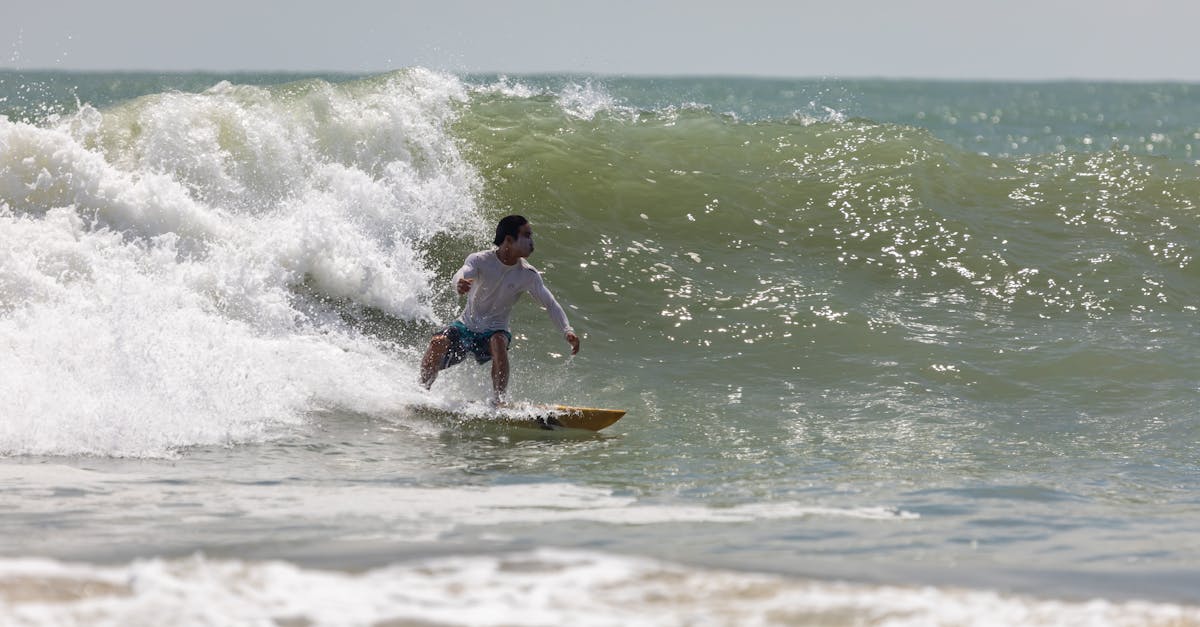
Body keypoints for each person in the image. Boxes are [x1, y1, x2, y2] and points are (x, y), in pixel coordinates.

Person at [419, 215, 580, 404]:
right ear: (509, 240)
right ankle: (421, 392)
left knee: (498, 341)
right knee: (438, 341)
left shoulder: (528, 275)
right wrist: (459, 283)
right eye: (526, 236)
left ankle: (499, 402)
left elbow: (550, 304)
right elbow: (463, 272)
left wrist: (567, 330)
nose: (532, 242)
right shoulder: (480, 260)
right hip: (466, 326)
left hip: (496, 330)